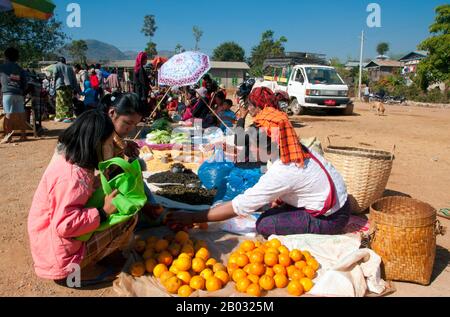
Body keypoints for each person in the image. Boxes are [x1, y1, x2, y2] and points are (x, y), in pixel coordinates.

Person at [168, 87, 349, 237]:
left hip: (331, 218)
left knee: (264, 224)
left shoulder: (284, 169)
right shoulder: (294, 149)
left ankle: (315, 227)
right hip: (336, 202)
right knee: (270, 208)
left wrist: (192, 217)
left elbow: (241, 206)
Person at [27, 110, 137, 285]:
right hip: (60, 258)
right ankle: (79, 271)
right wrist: (103, 212)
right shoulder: (72, 178)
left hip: (53, 245)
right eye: (109, 143)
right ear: (96, 144)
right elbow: (65, 225)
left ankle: (97, 256)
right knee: (128, 218)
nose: (112, 148)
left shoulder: (70, 161)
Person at [0, 47, 28, 143]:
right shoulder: (20, 68)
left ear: (6, 56)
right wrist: (22, 91)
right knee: (21, 113)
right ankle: (23, 136)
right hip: (19, 93)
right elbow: (25, 82)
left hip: (7, 93)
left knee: (8, 114)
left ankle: (9, 136)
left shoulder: (2, 67)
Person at [47, 57, 79, 123]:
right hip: (69, 87)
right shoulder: (70, 68)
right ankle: (68, 116)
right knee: (68, 102)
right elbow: (74, 79)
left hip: (60, 87)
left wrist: (52, 89)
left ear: (58, 61)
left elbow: (54, 77)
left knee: (60, 102)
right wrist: (75, 88)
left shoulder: (56, 66)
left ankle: (60, 117)